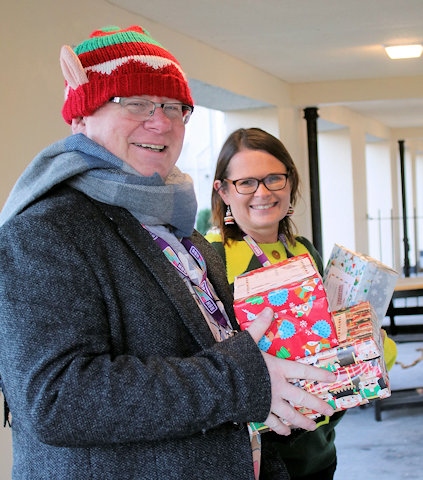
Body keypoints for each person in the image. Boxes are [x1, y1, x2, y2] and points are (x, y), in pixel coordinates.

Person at [0, 26, 337, 480]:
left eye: (174, 107)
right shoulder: (43, 230)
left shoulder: (177, 227)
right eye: (135, 104)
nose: (160, 122)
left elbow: (227, 356)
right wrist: (243, 381)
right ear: (81, 117)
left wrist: (320, 370)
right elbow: (58, 399)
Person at [205, 127, 398, 480]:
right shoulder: (211, 257)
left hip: (318, 442)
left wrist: (365, 341)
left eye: (274, 179)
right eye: (246, 182)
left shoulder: (303, 248)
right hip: (260, 451)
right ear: (223, 190)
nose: (262, 192)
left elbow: (323, 331)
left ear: (290, 182)